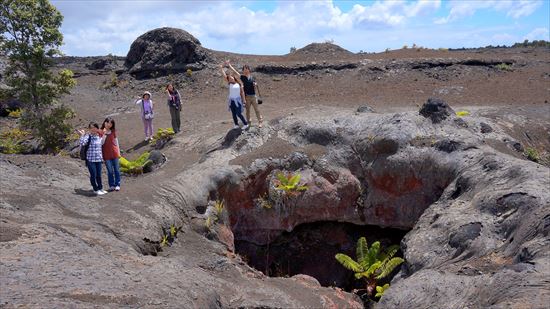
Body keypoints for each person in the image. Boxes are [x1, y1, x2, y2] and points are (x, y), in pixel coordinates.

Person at [227, 61, 263, 127]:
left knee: (257, 110)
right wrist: (230, 66)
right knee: (248, 111)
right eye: (244, 69)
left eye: (246, 69)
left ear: (249, 70)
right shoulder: (242, 77)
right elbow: (235, 72)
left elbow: (254, 87)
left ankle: (260, 121)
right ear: (243, 71)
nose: (245, 70)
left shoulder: (252, 78)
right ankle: (249, 123)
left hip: (253, 96)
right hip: (247, 97)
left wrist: (255, 85)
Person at [78, 122, 106, 196]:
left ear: (97, 128)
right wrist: (82, 135)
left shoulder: (99, 136)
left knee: (99, 175)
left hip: (98, 159)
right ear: (89, 129)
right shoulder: (88, 136)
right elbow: (82, 143)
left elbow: (102, 144)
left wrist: (104, 134)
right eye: (91, 128)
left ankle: (100, 188)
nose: (93, 129)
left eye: (94, 127)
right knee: (93, 175)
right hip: (90, 159)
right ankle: (95, 189)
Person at [220, 63, 249, 130]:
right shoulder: (230, 84)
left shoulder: (239, 84)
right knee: (233, 114)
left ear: (234, 78)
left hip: (238, 100)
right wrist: (221, 68)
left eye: (231, 77)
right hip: (232, 101)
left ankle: (245, 124)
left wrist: (244, 101)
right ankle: (236, 124)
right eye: (229, 78)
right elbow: (224, 76)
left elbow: (242, 93)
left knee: (238, 113)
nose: (230, 78)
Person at [101, 117, 121, 191]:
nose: (109, 124)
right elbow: (101, 143)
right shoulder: (101, 132)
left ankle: (117, 184)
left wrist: (118, 152)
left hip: (115, 153)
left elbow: (116, 142)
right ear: (105, 122)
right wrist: (104, 134)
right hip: (106, 155)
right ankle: (111, 185)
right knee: (110, 171)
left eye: (111, 123)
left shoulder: (113, 131)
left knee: (117, 170)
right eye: (108, 122)